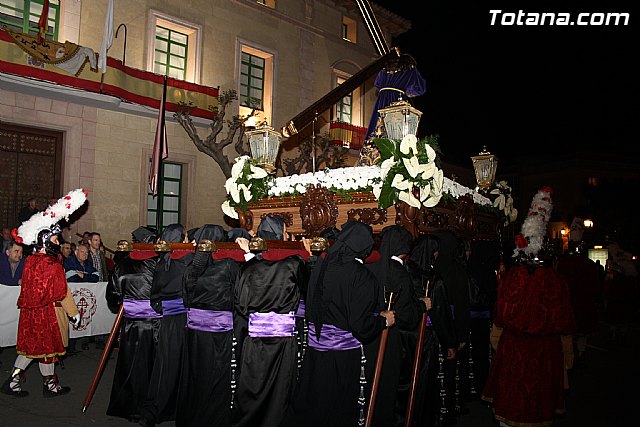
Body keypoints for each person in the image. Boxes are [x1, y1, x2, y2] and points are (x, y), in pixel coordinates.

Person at [282, 221, 394, 427]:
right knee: (338, 407)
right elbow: (360, 325)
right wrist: (383, 320)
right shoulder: (362, 276)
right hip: (342, 354)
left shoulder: (322, 266)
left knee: (312, 405)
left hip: (315, 350)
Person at [482, 186, 576, 427]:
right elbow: (565, 321)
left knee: (511, 404)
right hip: (545, 353)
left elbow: (500, 315)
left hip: (515, 350)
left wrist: (498, 341)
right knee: (538, 407)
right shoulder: (556, 280)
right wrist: (567, 358)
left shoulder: (514, 277)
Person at [232, 215, 308, 427]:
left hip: (255, 340)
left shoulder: (248, 267)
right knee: (281, 391)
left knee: (252, 386)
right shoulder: (294, 264)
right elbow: (306, 290)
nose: (287, 236)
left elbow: (240, 304)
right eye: (284, 232)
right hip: (283, 341)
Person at [1, 224, 80, 398]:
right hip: (47, 313)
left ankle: (18, 382)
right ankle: (47, 385)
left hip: (31, 313)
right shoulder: (52, 264)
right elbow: (62, 291)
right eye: (55, 239)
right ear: (46, 241)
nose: (58, 243)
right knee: (46, 348)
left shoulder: (30, 260)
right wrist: (73, 312)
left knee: (34, 349)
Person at [176, 224, 240, 427]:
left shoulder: (192, 266)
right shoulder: (228, 265)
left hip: (195, 331)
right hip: (218, 332)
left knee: (195, 375)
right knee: (216, 377)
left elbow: (186, 299)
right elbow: (238, 297)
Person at [397, 233, 457, 427]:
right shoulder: (433, 280)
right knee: (422, 382)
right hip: (423, 338)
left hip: (402, 336)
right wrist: (450, 342)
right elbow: (440, 314)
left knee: (404, 381)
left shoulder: (403, 273)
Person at [363, 225, 420, 427]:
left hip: (369, 335)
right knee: (386, 387)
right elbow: (405, 316)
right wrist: (421, 307)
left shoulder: (369, 268)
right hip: (390, 338)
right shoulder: (401, 274)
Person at [106, 226, 160, 423]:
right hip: (155, 325)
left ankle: (130, 406)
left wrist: (124, 303)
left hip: (132, 324)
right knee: (152, 365)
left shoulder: (122, 265)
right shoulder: (158, 264)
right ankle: (150, 408)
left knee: (130, 365)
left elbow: (113, 296)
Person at [140, 224, 190, 427]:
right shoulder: (187, 261)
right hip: (184, 320)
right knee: (179, 365)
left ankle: (155, 408)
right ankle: (170, 408)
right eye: (185, 237)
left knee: (165, 364)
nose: (188, 240)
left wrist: (166, 309)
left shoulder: (162, 262)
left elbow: (155, 297)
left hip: (167, 320)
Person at [356, 53, 426, 166]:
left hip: (381, 101)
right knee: (398, 130)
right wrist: (407, 92)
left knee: (377, 126)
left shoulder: (384, 70)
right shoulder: (409, 69)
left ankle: (371, 155)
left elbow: (377, 83)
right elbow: (420, 88)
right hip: (396, 100)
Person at [432, 229, 471, 424]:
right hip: (452, 325)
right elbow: (463, 305)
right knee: (451, 370)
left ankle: (438, 410)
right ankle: (449, 408)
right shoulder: (457, 270)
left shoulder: (432, 267)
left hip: (435, 327)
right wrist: (462, 335)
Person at [555, 243, 600, 367]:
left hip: (569, 302)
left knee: (568, 332)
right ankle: (580, 352)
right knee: (581, 331)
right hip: (584, 302)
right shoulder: (589, 265)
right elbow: (595, 285)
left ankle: (570, 356)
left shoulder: (564, 264)